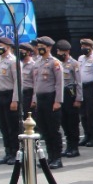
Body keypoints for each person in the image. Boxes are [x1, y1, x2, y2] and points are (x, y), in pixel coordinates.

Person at [32, 36, 64, 168]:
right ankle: (49, 157)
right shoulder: (37, 62)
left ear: (49, 47)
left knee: (53, 130)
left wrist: (58, 101)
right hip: (40, 99)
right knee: (44, 130)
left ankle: (57, 158)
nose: (39, 48)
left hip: (51, 98)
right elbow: (35, 83)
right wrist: (34, 99)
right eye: (38, 45)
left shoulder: (55, 63)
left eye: (42, 46)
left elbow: (59, 83)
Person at [57, 39, 81, 159]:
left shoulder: (74, 63)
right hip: (62, 95)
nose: (59, 53)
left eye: (61, 51)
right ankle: (68, 146)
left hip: (71, 94)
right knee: (64, 122)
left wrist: (78, 98)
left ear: (67, 51)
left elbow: (79, 82)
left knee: (72, 122)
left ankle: (74, 147)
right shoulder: (58, 63)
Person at [77, 38, 93, 146]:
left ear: (91, 47)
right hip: (82, 87)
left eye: (86, 46)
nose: (83, 48)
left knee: (92, 113)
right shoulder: (81, 58)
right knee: (83, 114)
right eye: (82, 46)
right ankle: (86, 135)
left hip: (91, 88)